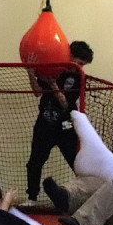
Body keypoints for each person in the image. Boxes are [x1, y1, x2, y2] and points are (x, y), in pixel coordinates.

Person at [25, 39, 94, 202]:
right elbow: (37, 92)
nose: (80, 67)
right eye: (79, 62)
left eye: (83, 65)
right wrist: (31, 73)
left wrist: (53, 84)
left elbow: (65, 104)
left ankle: (84, 197)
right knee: (34, 162)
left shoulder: (78, 77)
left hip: (66, 125)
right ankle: (32, 198)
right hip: (45, 123)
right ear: (70, 56)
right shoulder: (54, 69)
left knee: (77, 162)